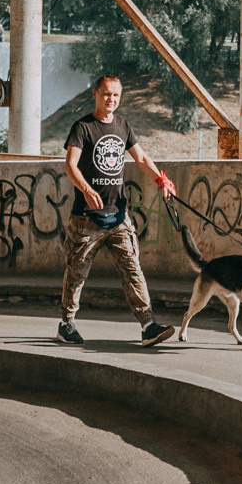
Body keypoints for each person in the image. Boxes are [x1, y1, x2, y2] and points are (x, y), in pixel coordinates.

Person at [58, 74, 178, 346]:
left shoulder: (123, 126)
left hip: (118, 216)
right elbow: (70, 166)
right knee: (77, 272)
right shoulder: (83, 127)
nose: (111, 99)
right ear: (95, 94)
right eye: (106, 94)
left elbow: (141, 158)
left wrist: (161, 179)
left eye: (116, 95)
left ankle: (148, 325)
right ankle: (66, 324)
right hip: (86, 218)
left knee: (132, 268)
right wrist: (87, 190)